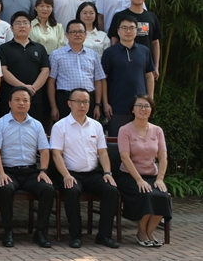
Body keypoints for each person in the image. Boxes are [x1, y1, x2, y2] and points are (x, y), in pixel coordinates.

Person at [50, 88, 120, 249]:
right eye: (78, 102)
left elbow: (102, 152)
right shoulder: (60, 126)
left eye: (85, 102)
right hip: (69, 173)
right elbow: (56, 154)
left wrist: (107, 172)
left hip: (92, 173)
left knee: (111, 190)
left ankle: (104, 235)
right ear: (69, 103)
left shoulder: (96, 126)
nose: (82, 105)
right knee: (72, 190)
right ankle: (76, 236)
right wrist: (66, 175)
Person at [0, 87, 54, 248]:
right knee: (5, 189)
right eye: (17, 100)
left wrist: (43, 171)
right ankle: (8, 231)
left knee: (48, 189)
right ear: (9, 103)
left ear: (30, 104)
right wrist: (0, 173)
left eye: (25, 100)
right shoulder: (0, 124)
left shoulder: (37, 125)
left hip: (31, 171)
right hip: (8, 171)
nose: (21, 103)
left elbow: (44, 150)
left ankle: (40, 232)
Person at [116, 94, 172, 247]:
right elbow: (125, 158)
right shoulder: (124, 130)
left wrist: (160, 178)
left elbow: (163, 157)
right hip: (129, 176)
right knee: (146, 195)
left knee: (162, 196)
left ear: (151, 110)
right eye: (139, 105)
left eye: (147, 106)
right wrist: (139, 180)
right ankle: (141, 232)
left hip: (152, 175)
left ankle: (150, 232)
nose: (143, 109)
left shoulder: (157, 130)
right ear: (132, 110)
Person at [102, 15, 155, 136]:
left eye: (132, 28)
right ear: (118, 31)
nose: (128, 31)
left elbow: (149, 76)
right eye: (124, 28)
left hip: (140, 106)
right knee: (117, 141)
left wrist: (150, 101)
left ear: (137, 30)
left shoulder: (144, 51)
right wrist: (105, 103)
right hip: (117, 106)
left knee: (140, 140)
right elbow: (103, 79)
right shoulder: (109, 52)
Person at [0, 12, 50, 125]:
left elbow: (45, 70)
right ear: (11, 28)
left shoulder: (39, 48)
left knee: (34, 128)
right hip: (11, 98)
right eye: (18, 23)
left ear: (31, 27)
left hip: (35, 98)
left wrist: (32, 88)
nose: (22, 26)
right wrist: (24, 87)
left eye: (25, 23)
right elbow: (3, 71)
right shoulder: (4, 48)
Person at [47, 19, 105, 123]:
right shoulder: (56, 55)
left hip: (88, 100)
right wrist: (53, 106)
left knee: (87, 128)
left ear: (85, 35)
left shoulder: (93, 55)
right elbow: (51, 81)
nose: (77, 34)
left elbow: (98, 81)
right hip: (65, 99)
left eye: (81, 32)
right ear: (67, 35)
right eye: (73, 32)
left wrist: (97, 105)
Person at [107, 0, 162, 80]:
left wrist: (156, 66)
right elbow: (114, 40)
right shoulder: (119, 16)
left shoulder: (151, 17)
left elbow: (155, 42)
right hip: (122, 63)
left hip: (145, 64)